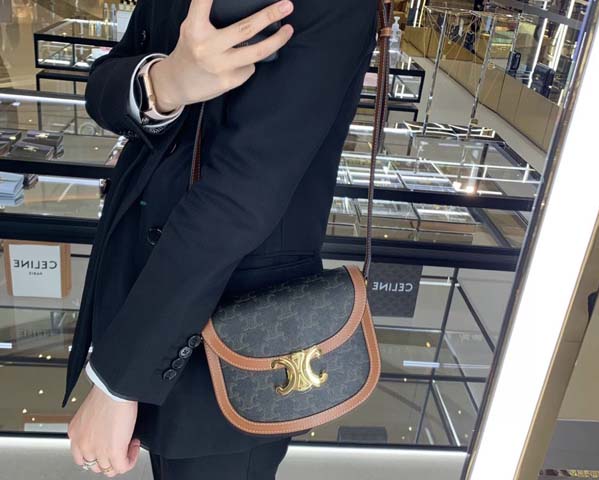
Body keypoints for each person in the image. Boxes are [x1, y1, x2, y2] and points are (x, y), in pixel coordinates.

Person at [62, 0, 378, 478]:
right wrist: (165, 83)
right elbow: (102, 85)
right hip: (144, 298)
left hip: (238, 327)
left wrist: (119, 380)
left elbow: (241, 198)